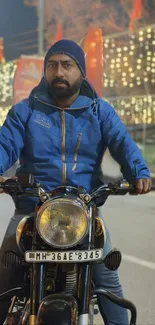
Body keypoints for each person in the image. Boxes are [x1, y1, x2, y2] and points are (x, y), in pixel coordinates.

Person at [0, 39, 151, 324]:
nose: (59, 72)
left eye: (67, 65)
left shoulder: (100, 111)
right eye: (52, 65)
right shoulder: (26, 110)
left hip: (85, 209)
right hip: (33, 208)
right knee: (5, 273)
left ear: (80, 71)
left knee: (107, 280)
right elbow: (5, 145)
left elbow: (122, 143)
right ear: (45, 71)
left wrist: (139, 173)